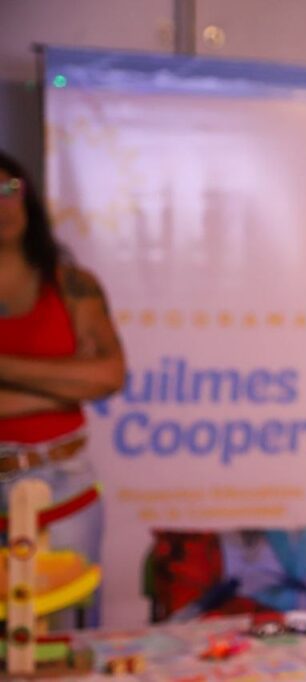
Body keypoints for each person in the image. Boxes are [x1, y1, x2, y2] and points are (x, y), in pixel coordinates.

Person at [0, 150, 125, 627]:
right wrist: (63, 382)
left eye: (10, 189)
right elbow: (88, 379)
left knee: (67, 636)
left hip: (63, 484)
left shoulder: (73, 284)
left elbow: (110, 376)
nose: (2, 204)